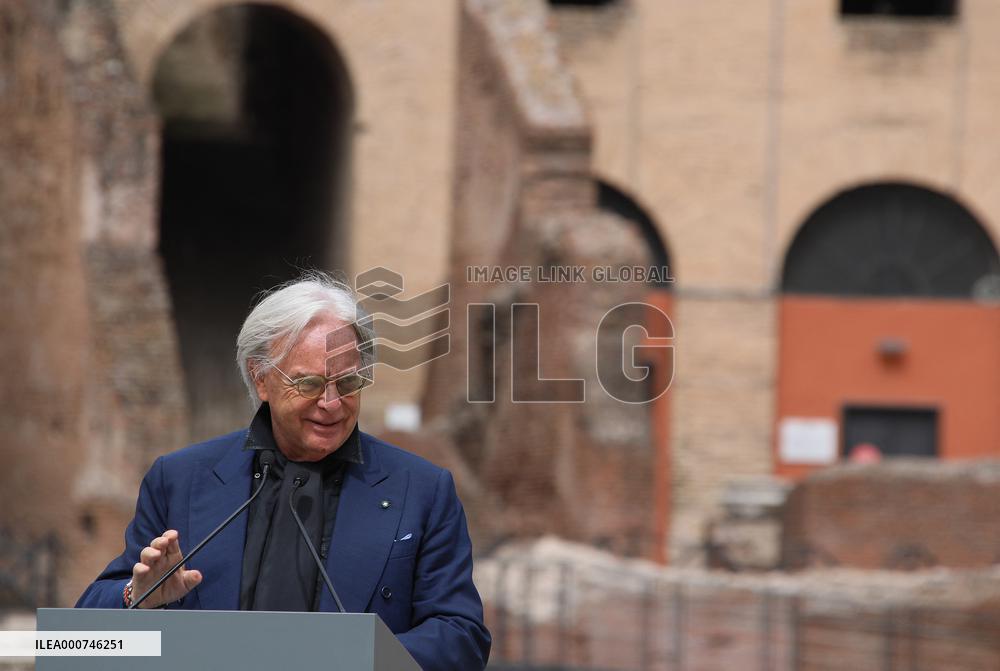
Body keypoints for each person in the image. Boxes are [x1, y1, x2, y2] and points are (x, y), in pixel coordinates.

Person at [76, 272, 491, 671]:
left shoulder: (422, 489)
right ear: (261, 378)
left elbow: (462, 637)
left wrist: (360, 657)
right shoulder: (179, 479)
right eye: (308, 385)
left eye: (347, 384)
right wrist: (138, 598)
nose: (331, 403)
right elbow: (84, 630)